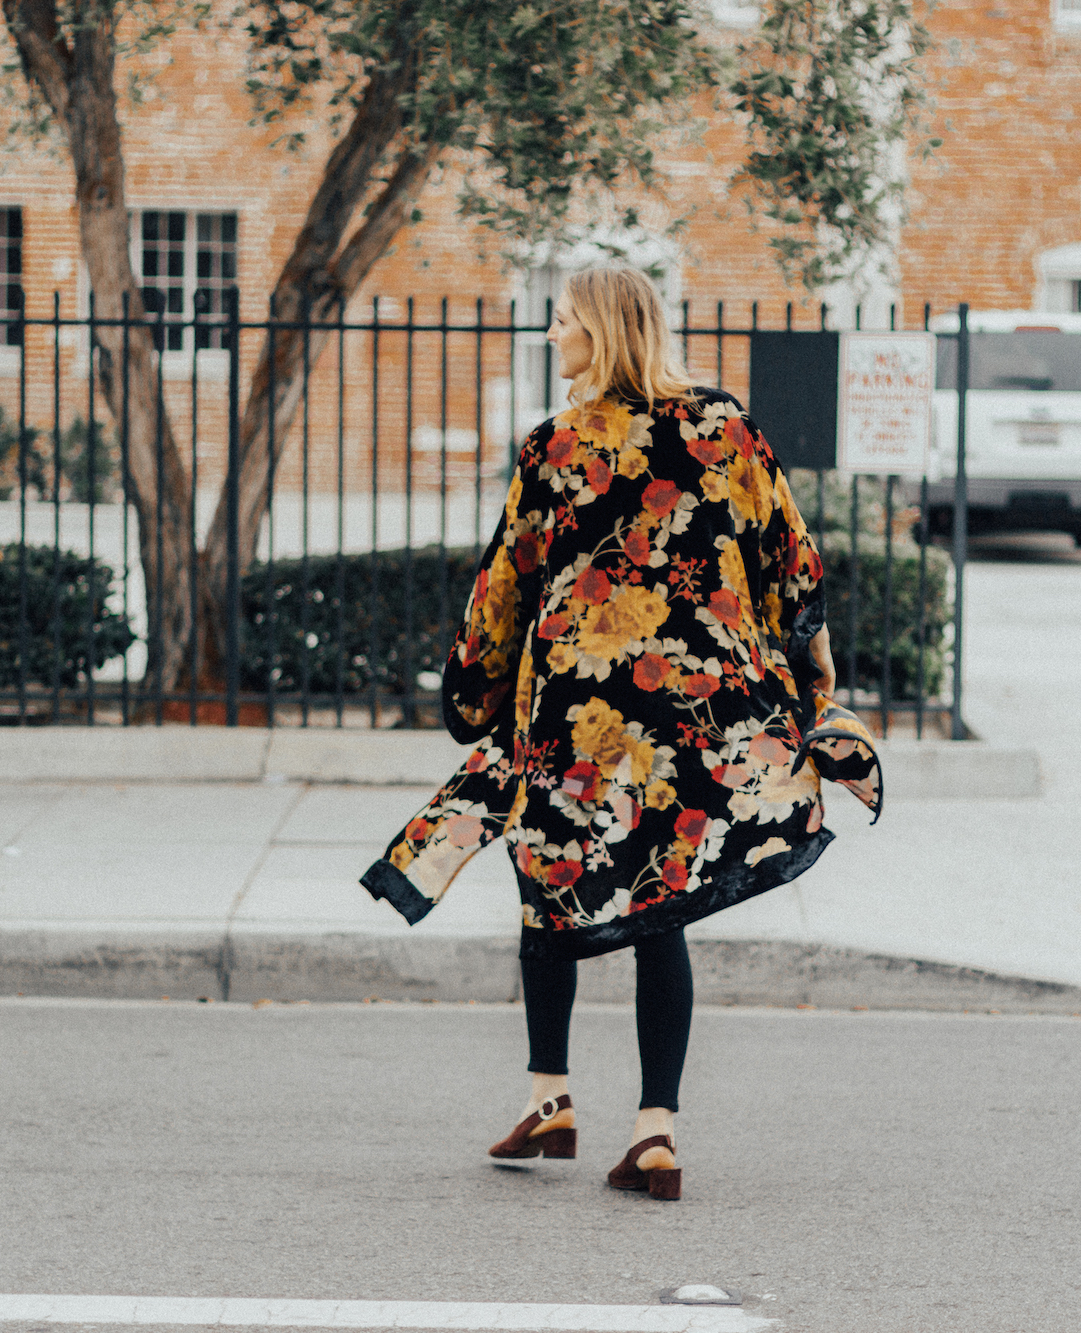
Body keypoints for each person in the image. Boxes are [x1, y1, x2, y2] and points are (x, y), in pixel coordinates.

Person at [362, 266, 882, 1201]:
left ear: (598, 332)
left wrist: (471, 694)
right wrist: (812, 666)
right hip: (693, 718)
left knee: (548, 880)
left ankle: (550, 1095)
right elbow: (789, 555)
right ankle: (655, 1131)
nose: (551, 336)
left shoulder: (555, 448)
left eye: (561, 321)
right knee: (660, 900)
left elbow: (506, 584)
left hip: (578, 719)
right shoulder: (725, 428)